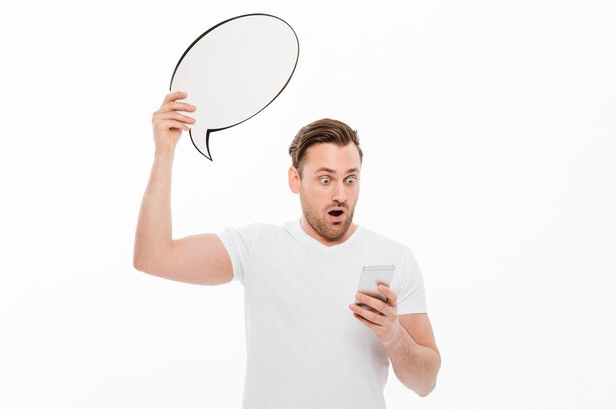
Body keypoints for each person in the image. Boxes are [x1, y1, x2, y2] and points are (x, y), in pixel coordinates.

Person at [134, 91, 441, 408]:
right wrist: (164, 153)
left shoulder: (394, 258)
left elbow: (425, 382)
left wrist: (393, 334)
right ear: (295, 180)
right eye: (325, 180)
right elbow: (153, 257)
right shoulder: (256, 247)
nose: (340, 194)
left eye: (350, 180)